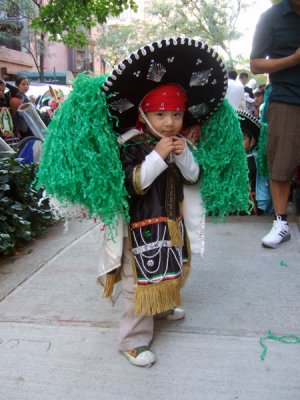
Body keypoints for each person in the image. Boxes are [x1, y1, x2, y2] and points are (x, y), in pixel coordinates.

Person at [250, 0, 300, 248]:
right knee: (280, 164)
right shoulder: (271, 17)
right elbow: (256, 64)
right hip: (285, 99)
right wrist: (293, 59)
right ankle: (281, 223)